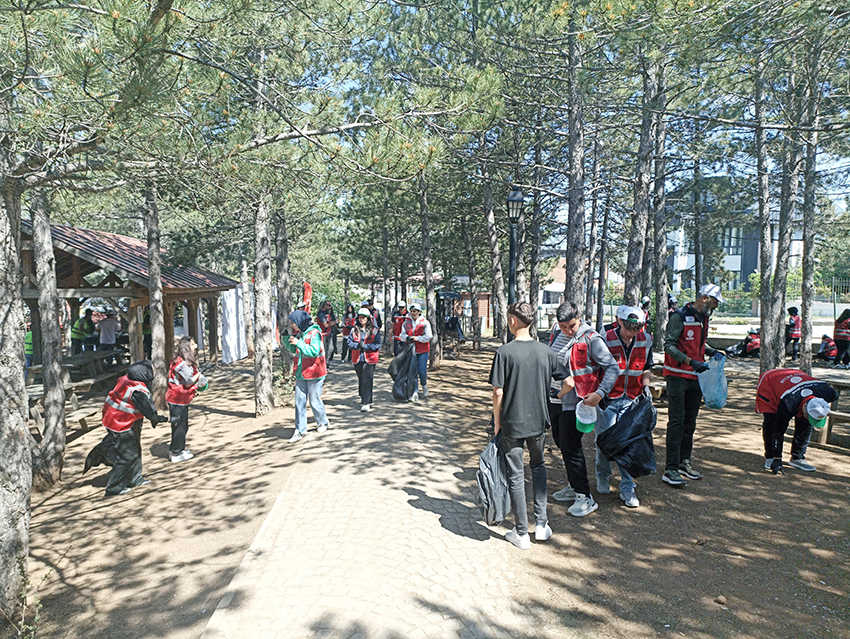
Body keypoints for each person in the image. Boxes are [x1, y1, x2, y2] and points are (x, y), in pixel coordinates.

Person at [489, 302, 568, 549]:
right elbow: (571, 383)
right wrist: (554, 398)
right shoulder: (546, 351)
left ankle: (521, 532)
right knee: (539, 467)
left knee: (515, 474)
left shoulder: (505, 352)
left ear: (513, 320)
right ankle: (542, 525)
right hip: (538, 421)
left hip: (512, 422)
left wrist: (497, 421)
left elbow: (498, 392)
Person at [549, 301, 619, 517]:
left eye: (572, 326)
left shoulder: (591, 338)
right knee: (561, 443)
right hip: (555, 400)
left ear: (579, 317)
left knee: (571, 446)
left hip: (577, 403)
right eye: (563, 327)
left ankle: (584, 496)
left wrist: (600, 393)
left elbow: (612, 367)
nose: (568, 331)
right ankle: (573, 485)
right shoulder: (555, 332)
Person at [662, 283, 725, 486]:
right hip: (678, 376)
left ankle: (684, 461)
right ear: (705, 298)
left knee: (690, 422)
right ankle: (670, 468)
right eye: (715, 302)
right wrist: (690, 362)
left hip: (696, 377)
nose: (716, 306)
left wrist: (712, 351)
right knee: (677, 422)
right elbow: (669, 345)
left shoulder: (703, 318)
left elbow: (698, 345)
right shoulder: (679, 316)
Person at [86, 360, 169, 496]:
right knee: (127, 456)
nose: (154, 370)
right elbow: (148, 411)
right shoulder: (137, 391)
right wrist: (161, 419)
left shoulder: (127, 379)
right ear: (144, 373)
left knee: (135, 449)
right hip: (119, 423)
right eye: (151, 369)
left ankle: (135, 478)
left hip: (122, 419)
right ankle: (114, 487)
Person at [598, 306, 653, 508]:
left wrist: (645, 388)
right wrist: (599, 394)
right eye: (628, 328)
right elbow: (596, 368)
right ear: (620, 322)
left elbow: (647, 367)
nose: (630, 333)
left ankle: (627, 487)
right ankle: (602, 475)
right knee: (604, 441)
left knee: (628, 444)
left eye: (635, 329)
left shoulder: (646, 339)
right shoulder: (605, 338)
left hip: (632, 398)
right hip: (609, 398)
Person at [755, 369, 837, 474]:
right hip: (771, 381)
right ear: (804, 407)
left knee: (805, 423)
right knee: (771, 421)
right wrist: (777, 458)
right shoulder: (789, 403)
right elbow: (777, 431)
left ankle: (797, 457)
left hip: (796, 382)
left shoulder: (829, 393)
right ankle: (770, 457)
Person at [285, 310, 329, 442]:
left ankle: (323, 422)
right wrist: (286, 340)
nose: (292, 326)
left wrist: (299, 343)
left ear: (300, 322)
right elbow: (294, 350)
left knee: (314, 400)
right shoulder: (301, 333)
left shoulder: (315, 333)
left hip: (315, 373)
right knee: (299, 401)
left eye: (293, 323)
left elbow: (314, 351)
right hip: (301, 373)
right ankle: (300, 430)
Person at [166, 336, 208, 463]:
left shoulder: (180, 359)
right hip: (177, 399)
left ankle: (177, 448)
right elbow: (189, 381)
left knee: (181, 425)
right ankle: (176, 453)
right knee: (180, 426)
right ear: (186, 348)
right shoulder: (181, 363)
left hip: (179, 399)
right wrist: (199, 376)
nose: (195, 347)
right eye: (193, 344)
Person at [348, 307, 381, 412]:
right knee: (361, 378)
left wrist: (367, 346)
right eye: (360, 317)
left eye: (364, 317)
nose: (362, 319)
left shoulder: (374, 330)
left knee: (367, 379)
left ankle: (366, 402)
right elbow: (349, 342)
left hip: (370, 359)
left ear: (368, 318)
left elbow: (377, 344)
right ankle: (363, 396)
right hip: (358, 358)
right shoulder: (354, 330)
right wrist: (357, 345)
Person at [400, 303, 432, 401]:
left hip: (422, 350)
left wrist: (417, 338)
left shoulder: (425, 322)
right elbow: (401, 335)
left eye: (415, 311)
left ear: (419, 312)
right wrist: (407, 337)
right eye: (411, 311)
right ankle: (415, 391)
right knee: (413, 372)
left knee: (422, 371)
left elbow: (429, 336)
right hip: (411, 351)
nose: (413, 313)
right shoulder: (406, 322)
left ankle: (424, 385)